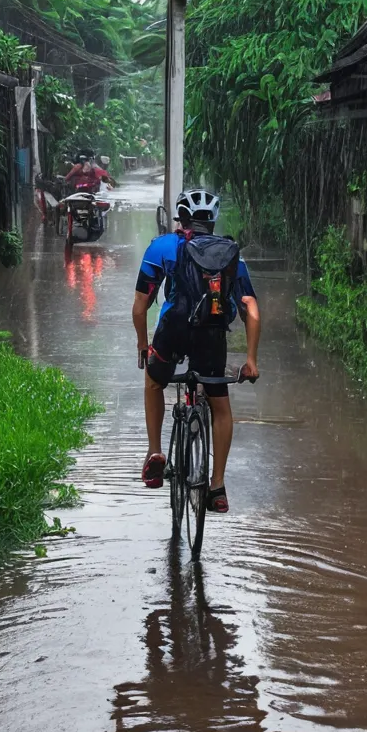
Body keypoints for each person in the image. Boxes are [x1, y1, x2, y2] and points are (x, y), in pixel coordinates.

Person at [132, 188, 260, 514]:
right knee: (219, 405)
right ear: (214, 221)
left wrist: (143, 345)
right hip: (211, 337)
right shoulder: (231, 255)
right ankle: (217, 487)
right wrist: (251, 360)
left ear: (181, 218)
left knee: (154, 381)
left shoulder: (162, 247)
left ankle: (155, 452)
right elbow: (250, 309)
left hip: (172, 332)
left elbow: (140, 305)